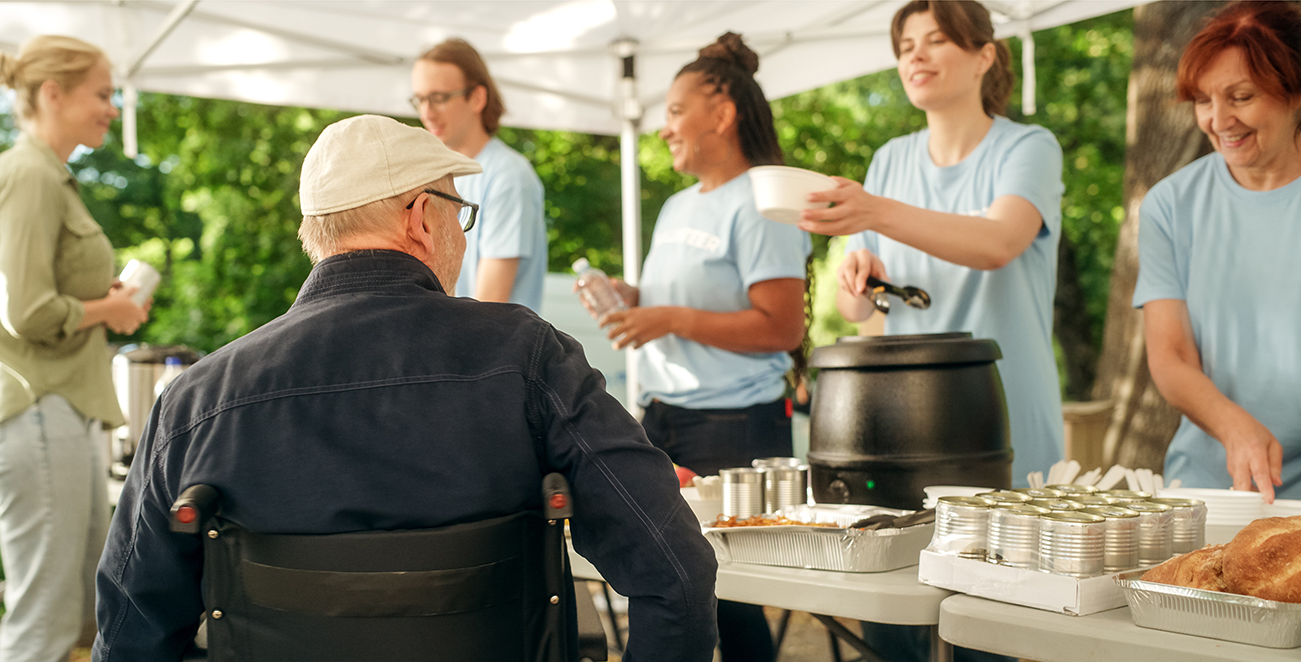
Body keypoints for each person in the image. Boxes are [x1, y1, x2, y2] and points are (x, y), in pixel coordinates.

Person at [91, 115, 719, 661]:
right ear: (422, 218)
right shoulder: (528, 357)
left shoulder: (197, 400)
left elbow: (129, 630)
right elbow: (677, 572)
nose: (463, 235)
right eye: (459, 213)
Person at [795, 2, 1064, 660]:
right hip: (904, 436)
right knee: (893, 635)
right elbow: (866, 314)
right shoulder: (890, 160)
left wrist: (874, 211)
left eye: (936, 40)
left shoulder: (1027, 148)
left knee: (987, 633)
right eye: (905, 44)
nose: (914, 55)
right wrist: (857, 279)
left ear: (985, 55)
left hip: (1002, 429)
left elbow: (1000, 241)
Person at [1135, 0, 1301, 537]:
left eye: (1240, 97)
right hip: (1212, 488)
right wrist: (1234, 428)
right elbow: (1171, 356)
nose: (1218, 121)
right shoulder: (1168, 206)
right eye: (1203, 100)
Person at [599, 33, 809, 662]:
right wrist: (629, 294)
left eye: (674, 111)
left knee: (732, 600)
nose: (663, 129)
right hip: (664, 419)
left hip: (735, 428)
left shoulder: (765, 201)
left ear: (722, 114)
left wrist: (670, 317)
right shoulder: (674, 207)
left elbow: (782, 327)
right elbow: (680, 298)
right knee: (669, 588)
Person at [0, 35, 148, 662]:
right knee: (44, 619)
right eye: (102, 94)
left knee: (79, 611)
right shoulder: (28, 175)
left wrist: (102, 302)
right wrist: (111, 310)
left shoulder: (48, 176)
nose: (112, 109)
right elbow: (26, 310)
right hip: (34, 406)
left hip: (54, 410)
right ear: (52, 93)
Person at [412, 38, 547, 312]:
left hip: (487, 350)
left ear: (477, 98)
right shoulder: (430, 175)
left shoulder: (508, 176)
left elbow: (488, 307)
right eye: (420, 99)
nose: (427, 112)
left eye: (438, 98)